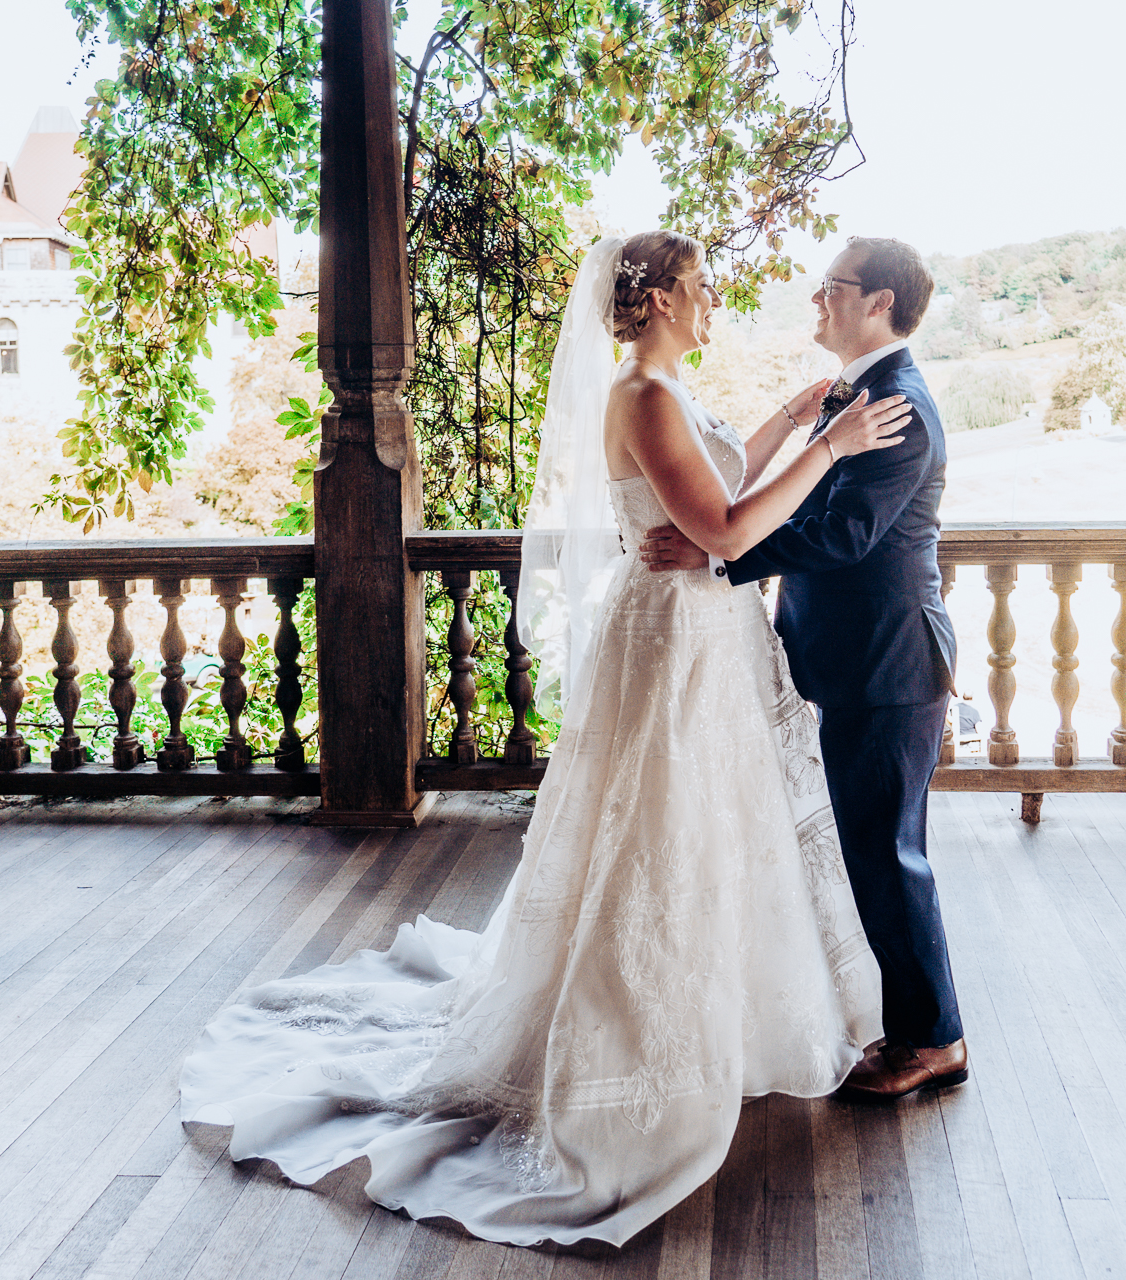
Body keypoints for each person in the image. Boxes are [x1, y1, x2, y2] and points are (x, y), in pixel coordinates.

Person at [177, 230, 911, 1247]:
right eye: (701, 286)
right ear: (660, 299)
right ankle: (631, 1044)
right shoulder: (641, 394)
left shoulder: (667, 388)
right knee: (657, 833)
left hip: (708, 631)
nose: (714, 300)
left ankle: (728, 1021)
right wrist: (832, 447)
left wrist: (794, 419)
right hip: (673, 635)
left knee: (712, 829)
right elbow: (727, 530)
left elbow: (724, 478)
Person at [641, 236, 969, 1101]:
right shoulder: (854, 394)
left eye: (833, 285)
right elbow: (805, 501)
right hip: (850, 658)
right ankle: (907, 1023)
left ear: (881, 303)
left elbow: (845, 534)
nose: (816, 298)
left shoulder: (896, 406)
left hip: (888, 662)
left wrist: (720, 555)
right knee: (865, 848)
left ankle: (934, 1041)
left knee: (888, 854)